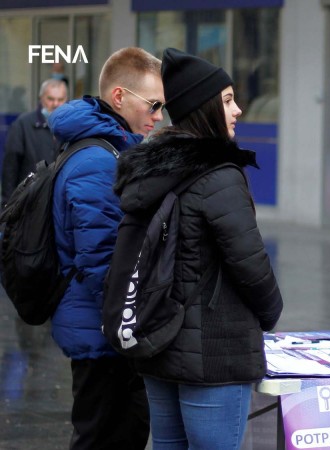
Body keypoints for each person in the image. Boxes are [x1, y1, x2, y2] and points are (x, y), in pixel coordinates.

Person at [112, 48, 284, 450]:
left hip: (158, 341)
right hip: (214, 354)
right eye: (227, 100)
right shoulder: (219, 175)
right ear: (203, 108)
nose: (238, 109)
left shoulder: (151, 169)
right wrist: (271, 313)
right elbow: (251, 263)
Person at [47, 47, 164, 450]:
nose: (158, 115)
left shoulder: (107, 150)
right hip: (102, 333)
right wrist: (130, 324)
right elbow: (102, 261)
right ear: (119, 97)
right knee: (104, 436)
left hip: (101, 328)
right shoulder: (98, 160)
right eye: (153, 104)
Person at [2, 78, 67, 206]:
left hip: (58, 205)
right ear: (41, 98)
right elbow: (10, 167)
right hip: (28, 205)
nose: (55, 104)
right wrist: (7, 205)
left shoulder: (70, 128)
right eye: (50, 99)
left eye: (60, 100)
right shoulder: (23, 125)